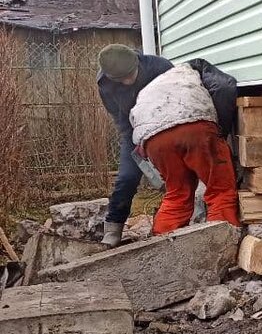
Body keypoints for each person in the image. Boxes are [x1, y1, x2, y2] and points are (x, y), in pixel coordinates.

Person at [96, 44, 239, 243]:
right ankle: (222, 243)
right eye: (122, 80)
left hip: (155, 138)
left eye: (132, 74)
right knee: (219, 189)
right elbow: (223, 88)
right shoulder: (106, 87)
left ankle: (161, 243)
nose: (128, 81)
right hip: (184, 127)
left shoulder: (158, 65)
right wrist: (219, 132)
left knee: (176, 193)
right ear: (111, 78)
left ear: (137, 62)